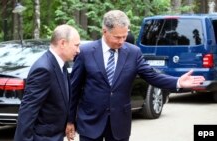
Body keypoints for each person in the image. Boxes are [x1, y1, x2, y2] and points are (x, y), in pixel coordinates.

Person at [65, 10, 205, 141]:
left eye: (124, 36)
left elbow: (152, 76)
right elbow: (74, 88)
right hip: (90, 122)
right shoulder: (85, 52)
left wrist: (178, 82)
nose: (121, 41)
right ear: (104, 31)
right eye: (117, 37)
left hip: (120, 124)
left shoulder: (133, 53)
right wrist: (70, 120)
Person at [14, 24, 80, 141]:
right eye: (76, 45)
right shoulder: (44, 69)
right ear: (63, 43)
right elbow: (28, 110)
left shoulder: (61, 65)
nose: (78, 50)